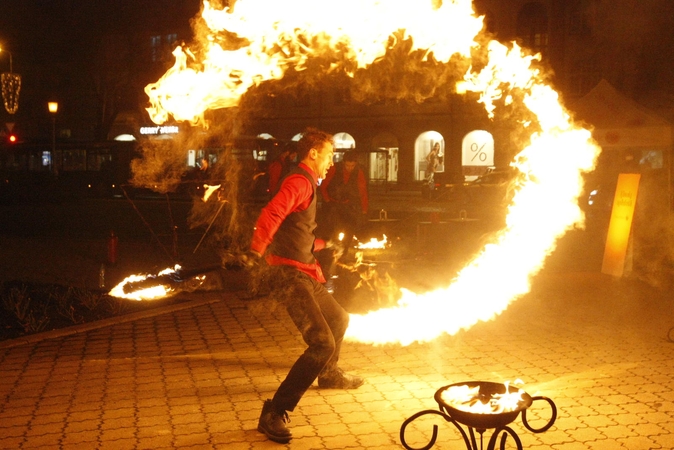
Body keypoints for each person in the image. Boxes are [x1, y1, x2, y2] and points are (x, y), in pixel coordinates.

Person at [245, 128, 365, 444]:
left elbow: (298, 232)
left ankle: (328, 374)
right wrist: (255, 249)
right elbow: (272, 213)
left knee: (340, 318)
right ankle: (274, 412)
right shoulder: (299, 182)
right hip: (287, 276)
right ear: (312, 154)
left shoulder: (308, 184)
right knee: (321, 342)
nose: (331, 164)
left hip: (304, 271)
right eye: (328, 156)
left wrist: (324, 245)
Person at [319, 151, 369, 261]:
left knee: (349, 229)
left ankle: (343, 254)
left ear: (356, 164)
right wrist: (327, 200)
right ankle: (328, 254)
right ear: (343, 163)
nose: (350, 168)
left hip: (347, 204)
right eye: (347, 165)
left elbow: (363, 191)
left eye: (352, 166)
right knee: (330, 229)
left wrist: (364, 209)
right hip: (332, 203)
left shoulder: (359, 172)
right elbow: (323, 186)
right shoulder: (334, 169)